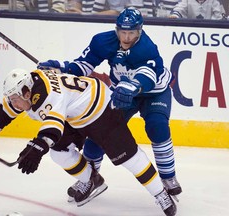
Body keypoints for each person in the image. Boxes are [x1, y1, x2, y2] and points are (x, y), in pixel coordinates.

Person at [0, 68, 177, 216]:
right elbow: (8, 110)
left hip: (100, 110)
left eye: (15, 98)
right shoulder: (28, 86)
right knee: (58, 152)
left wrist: (36, 148)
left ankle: (161, 193)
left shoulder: (48, 95)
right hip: (72, 113)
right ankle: (92, 180)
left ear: (26, 92)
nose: (13, 103)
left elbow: (52, 129)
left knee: (130, 159)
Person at [38, 7, 183, 202]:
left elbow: (147, 76)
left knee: (157, 127)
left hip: (154, 92)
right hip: (123, 92)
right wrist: (62, 68)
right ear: (116, 29)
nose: (126, 37)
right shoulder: (103, 41)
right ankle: (90, 178)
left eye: (131, 32)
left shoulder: (147, 48)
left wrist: (132, 86)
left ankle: (168, 178)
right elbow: (84, 65)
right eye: (122, 32)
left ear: (139, 31)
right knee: (98, 131)